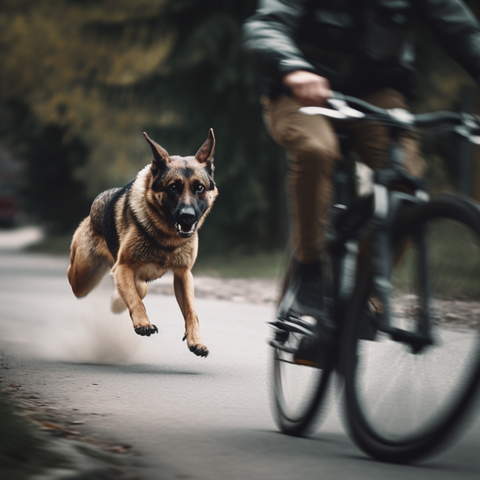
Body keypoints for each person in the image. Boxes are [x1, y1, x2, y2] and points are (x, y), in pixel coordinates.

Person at [242, 0, 480, 358]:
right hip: (302, 86)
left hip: (378, 92)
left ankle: (359, 299)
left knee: (407, 182)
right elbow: (266, 24)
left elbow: (464, 33)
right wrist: (293, 67)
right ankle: (309, 271)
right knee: (317, 150)